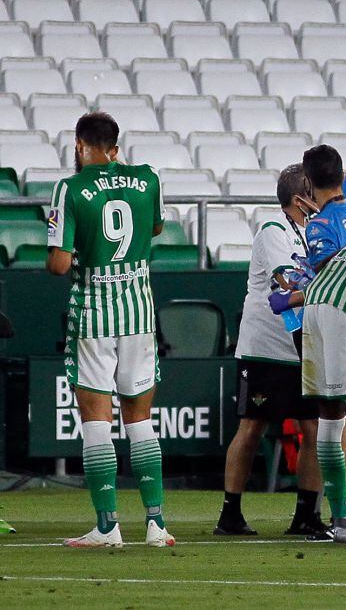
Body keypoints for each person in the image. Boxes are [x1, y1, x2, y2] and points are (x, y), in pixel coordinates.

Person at [46, 111, 174, 548]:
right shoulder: (148, 178)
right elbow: (155, 227)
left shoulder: (71, 188)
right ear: (114, 146)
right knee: (141, 422)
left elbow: (59, 263)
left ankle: (107, 527)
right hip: (138, 311)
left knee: (97, 423)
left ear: (79, 144)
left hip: (94, 315)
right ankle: (157, 525)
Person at [271, 145, 346, 543]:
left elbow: (328, 279)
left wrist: (292, 295)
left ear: (310, 183)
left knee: (331, 415)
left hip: (331, 322)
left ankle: (345, 518)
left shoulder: (319, 225)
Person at [216, 164, 325, 537]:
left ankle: (306, 514)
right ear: (300, 199)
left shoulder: (314, 232)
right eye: (315, 193)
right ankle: (230, 512)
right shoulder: (273, 231)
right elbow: (287, 281)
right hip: (265, 348)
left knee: (313, 428)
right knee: (252, 427)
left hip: (303, 346)